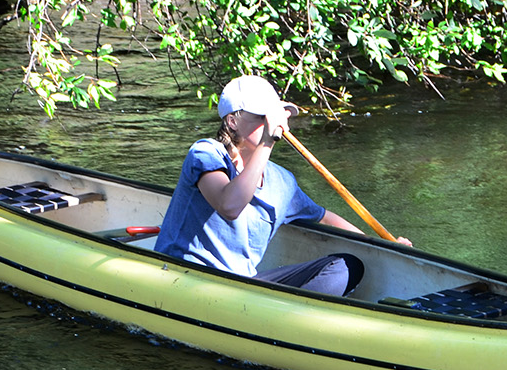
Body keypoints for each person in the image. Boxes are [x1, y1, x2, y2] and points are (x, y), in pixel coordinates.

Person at [155, 75, 406, 297]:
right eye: (263, 117)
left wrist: (384, 244)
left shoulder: (282, 181)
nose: (275, 125)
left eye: (275, 118)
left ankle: (291, 317)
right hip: (190, 276)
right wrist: (267, 142)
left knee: (348, 266)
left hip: (242, 285)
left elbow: (324, 217)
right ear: (232, 121)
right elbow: (229, 205)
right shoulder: (206, 154)